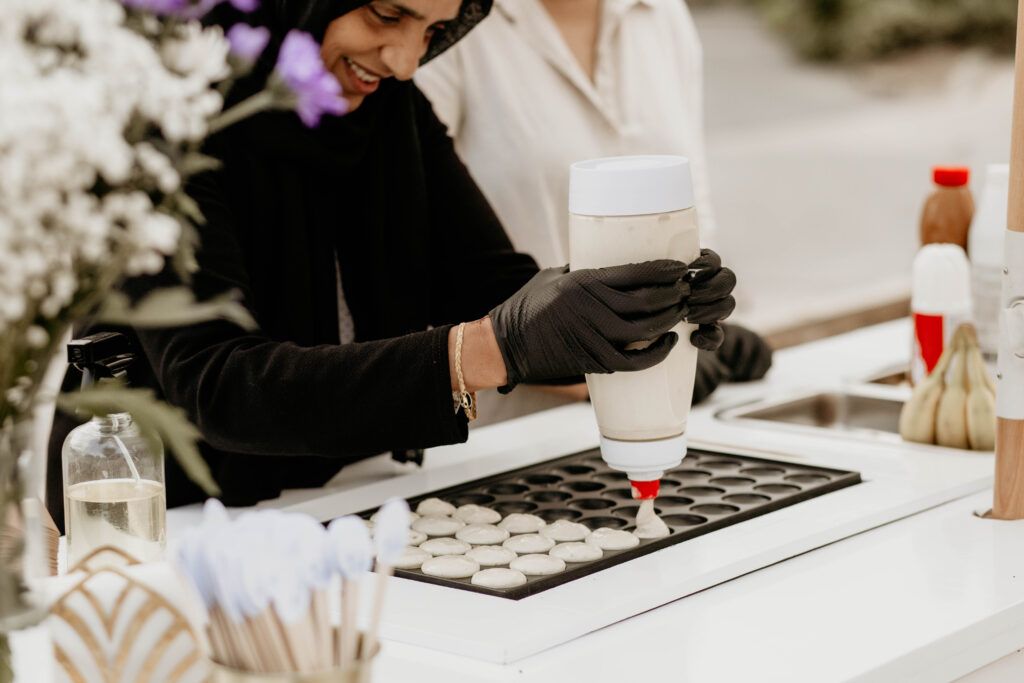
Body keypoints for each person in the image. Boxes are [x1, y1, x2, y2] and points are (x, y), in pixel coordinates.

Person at [46, 0, 737, 522]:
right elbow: (220, 386)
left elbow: (493, 284)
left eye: (432, 31)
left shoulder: (390, 106)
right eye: (387, 14)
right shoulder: (162, 116)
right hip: (162, 522)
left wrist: (647, 309)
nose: (405, 60)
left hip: (356, 501)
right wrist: (491, 349)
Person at [414, 0, 771, 421]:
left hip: (665, 400)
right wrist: (592, 377)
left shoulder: (661, 13)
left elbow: (693, 205)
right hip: (514, 423)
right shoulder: (446, 19)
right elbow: (423, 257)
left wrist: (701, 321)